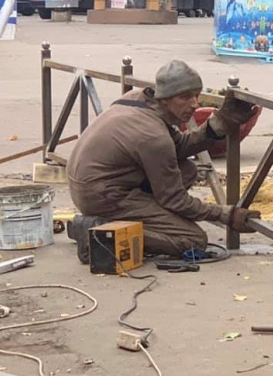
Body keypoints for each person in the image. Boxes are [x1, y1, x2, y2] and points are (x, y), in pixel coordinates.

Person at [66, 60, 260, 263]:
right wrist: (225, 214)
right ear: (165, 99)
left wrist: (219, 124)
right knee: (192, 239)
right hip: (101, 195)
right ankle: (99, 231)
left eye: (196, 95)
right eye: (184, 97)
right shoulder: (153, 136)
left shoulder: (139, 99)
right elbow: (175, 199)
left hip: (90, 183)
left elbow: (178, 148)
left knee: (187, 170)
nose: (194, 104)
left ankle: (131, 220)